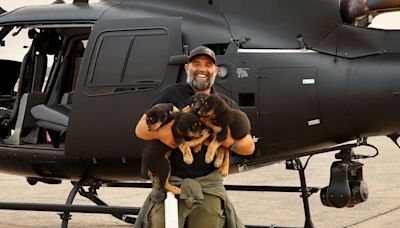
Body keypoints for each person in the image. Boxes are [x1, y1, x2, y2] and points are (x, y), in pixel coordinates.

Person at [134, 46, 255, 228]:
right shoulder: (171, 93)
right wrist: (166, 135)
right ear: (187, 68)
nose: (202, 69)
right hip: (171, 184)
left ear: (215, 70)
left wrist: (220, 136)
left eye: (208, 65)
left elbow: (248, 147)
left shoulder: (225, 104)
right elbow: (140, 129)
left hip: (208, 188)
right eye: (196, 63)